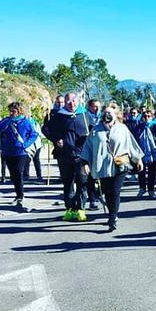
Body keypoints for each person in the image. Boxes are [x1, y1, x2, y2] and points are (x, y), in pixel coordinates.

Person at [80, 105, 144, 232]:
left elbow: (131, 144)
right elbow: (88, 147)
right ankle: (111, 214)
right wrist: (85, 163)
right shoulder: (95, 130)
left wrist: (138, 159)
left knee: (115, 191)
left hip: (120, 165)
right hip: (102, 166)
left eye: (110, 113)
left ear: (116, 115)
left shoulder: (122, 128)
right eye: (105, 113)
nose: (107, 115)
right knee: (108, 193)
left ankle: (113, 217)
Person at [0, 102, 39, 211]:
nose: (11, 113)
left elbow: (34, 134)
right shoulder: (6, 122)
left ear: (19, 111)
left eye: (14, 111)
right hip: (7, 151)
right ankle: (18, 193)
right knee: (13, 174)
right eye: (11, 111)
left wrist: (25, 144)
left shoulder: (26, 122)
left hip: (21, 152)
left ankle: (20, 195)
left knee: (18, 172)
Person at [42, 92, 91, 220]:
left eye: (74, 101)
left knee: (82, 182)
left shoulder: (84, 115)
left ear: (78, 101)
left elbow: (93, 131)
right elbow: (46, 129)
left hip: (82, 156)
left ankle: (81, 209)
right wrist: (55, 139)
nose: (71, 103)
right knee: (68, 183)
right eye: (68, 101)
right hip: (65, 155)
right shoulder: (59, 116)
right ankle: (70, 209)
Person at [134, 109, 156, 198]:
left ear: (152, 117)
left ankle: (151, 190)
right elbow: (134, 140)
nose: (147, 118)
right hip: (142, 152)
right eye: (145, 116)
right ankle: (142, 188)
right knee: (141, 171)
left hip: (154, 152)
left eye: (149, 116)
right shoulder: (138, 127)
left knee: (152, 172)